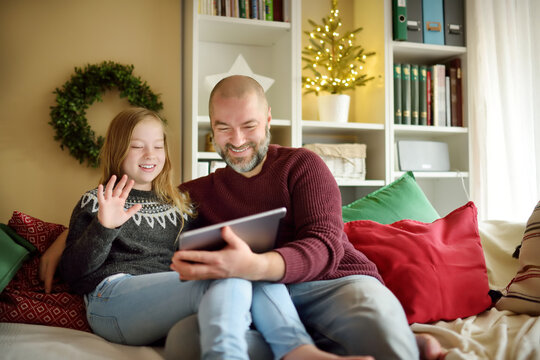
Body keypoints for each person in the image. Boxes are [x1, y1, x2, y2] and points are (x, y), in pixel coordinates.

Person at [57, 107, 371, 360]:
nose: (149, 155)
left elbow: (207, 250)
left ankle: (299, 351)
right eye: (137, 146)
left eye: (157, 146)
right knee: (224, 274)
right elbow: (74, 274)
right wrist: (104, 226)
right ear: (117, 150)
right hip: (110, 299)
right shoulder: (95, 201)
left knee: (249, 267)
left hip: (167, 298)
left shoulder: (179, 203)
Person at [169, 75, 443, 359]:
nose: (237, 141)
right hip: (260, 301)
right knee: (185, 341)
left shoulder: (301, 165)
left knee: (379, 333)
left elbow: (325, 245)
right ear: (212, 127)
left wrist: (256, 265)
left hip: (333, 284)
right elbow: (147, 211)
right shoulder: (197, 193)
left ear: (268, 120)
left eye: (249, 126)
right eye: (224, 128)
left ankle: (401, 342)